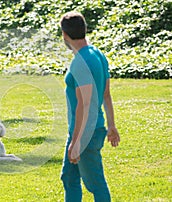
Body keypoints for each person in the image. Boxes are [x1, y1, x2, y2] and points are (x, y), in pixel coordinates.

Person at [60, 11, 120, 202]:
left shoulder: (81, 62)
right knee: (69, 178)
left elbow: (84, 105)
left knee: (95, 184)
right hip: (86, 130)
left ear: (65, 35)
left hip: (87, 132)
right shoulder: (98, 54)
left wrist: (77, 141)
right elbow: (106, 94)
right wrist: (111, 125)